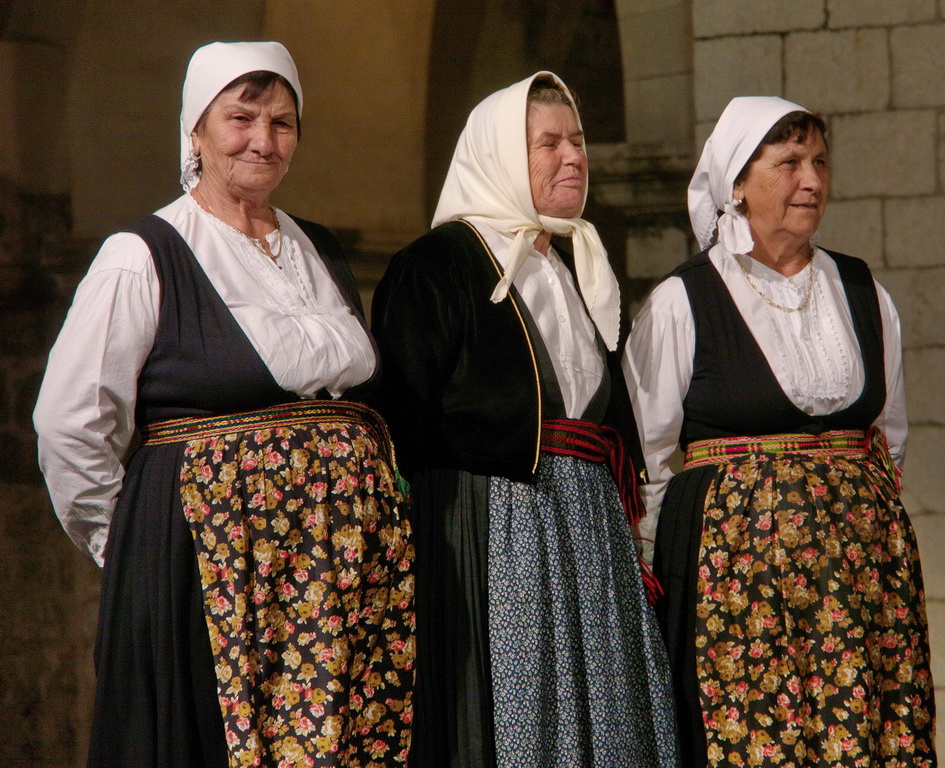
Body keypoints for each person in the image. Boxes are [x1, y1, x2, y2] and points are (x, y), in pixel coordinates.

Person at [34, 41, 414, 768]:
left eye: (282, 122)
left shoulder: (319, 250)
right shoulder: (143, 254)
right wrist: (142, 548)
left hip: (340, 577)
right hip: (213, 571)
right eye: (240, 118)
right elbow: (69, 421)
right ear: (195, 132)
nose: (263, 141)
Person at [371, 72, 679, 768]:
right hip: (495, 530)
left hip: (590, 527)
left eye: (576, 141)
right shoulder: (437, 265)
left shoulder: (579, 270)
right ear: (503, 156)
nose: (573, 157)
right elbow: (402, 425)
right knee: (517, 720)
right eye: (548, 143)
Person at [623, 96, 936, 767]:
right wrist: (661, 567)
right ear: (737, 181)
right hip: (740, 583)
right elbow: (647, 452)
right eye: (789, 161)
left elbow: (889, 431)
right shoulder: (685, 300)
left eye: (819, 162)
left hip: (858, 576)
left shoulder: (858, 290)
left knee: (865, 726)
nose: (812, 180)